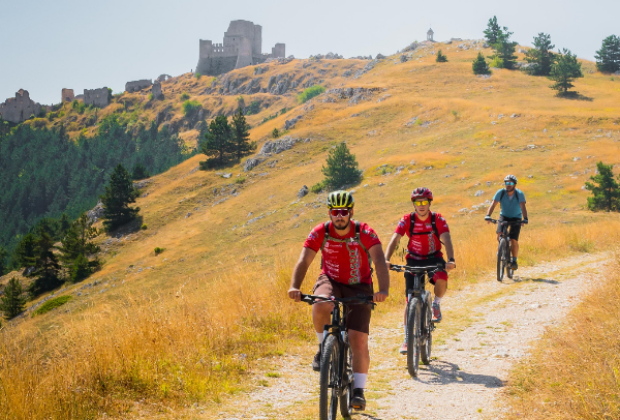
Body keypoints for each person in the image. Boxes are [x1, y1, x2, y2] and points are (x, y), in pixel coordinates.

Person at [288, 190, 390, 411]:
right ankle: (322, 347)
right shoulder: (321, 232)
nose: (339, 216)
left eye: (344, 212)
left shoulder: (364, 232)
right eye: (335, 212)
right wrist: (294, 286)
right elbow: (304, 261)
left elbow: (379, 260)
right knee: (321, 303)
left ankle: (358, 391)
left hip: (359, 286)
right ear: (330, 213)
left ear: (351, 212)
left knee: (358, 339)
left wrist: (382, 290)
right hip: (331, 279)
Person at [384, 187, 456, 355]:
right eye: (418, 203)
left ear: (429, 203)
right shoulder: (407, 219)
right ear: (414, 204)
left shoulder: (437, 219)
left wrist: (451, 259)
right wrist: (386, 259)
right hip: (414, 259)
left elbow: (446, 238)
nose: (421, 205)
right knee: (410, 300)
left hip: (434, 257)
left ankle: (436, 304)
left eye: (424, 202)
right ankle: (407, 339)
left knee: (441, 279)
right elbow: (395, 238)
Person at [484, 175, 529, 270]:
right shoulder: (501, 192)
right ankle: (502, 249)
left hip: (516, 217)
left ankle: (514, 261)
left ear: (514, 184)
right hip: (504, 216)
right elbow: (493, 204)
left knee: (513, 240)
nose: (508, 185)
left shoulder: (519, 194)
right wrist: (488, 215)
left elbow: (522, 206)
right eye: (507, 183)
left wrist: (525, 218)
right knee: (499, 234)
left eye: (511, 183)